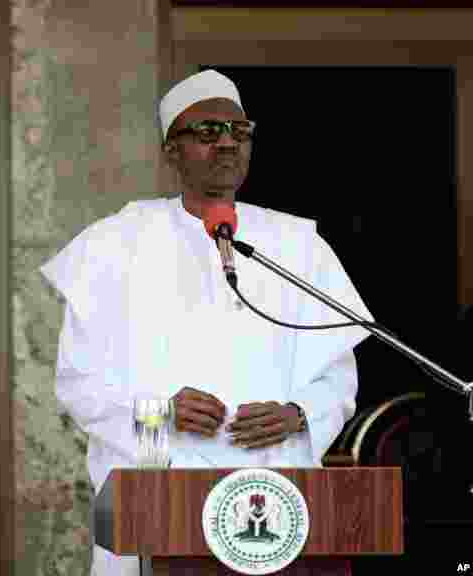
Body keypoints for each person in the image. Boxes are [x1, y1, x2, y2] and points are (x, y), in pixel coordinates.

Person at [40, 70, 373, 575]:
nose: (226, 144)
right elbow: (79, 386)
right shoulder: (112, 245)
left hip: (276, 500)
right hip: (156, 506)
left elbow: (337, 378)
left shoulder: (297, 245)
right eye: (207, 131)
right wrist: (160, 415)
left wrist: (298, 414)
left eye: (238, 133)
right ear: (170, 150)